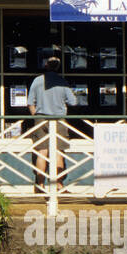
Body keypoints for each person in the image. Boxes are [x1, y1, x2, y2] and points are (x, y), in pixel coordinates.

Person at [27, 56, 77, 192]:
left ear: (46, 65)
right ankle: (58, 185)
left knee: (42, 152)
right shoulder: (62, 82)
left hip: (41, 119)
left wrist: (36, 117)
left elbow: (30, 102)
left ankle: (40, 185)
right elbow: (73, 102)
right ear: (58, 67)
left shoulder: (37, 80)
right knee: (58, 152)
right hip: (59, 119)